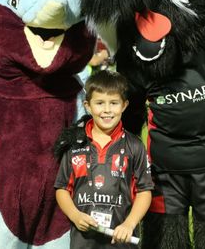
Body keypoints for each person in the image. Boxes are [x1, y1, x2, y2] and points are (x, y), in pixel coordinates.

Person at [54, 70, 153, 248]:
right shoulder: (75, 146)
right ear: (88, 106)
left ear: (124, 105)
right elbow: (61, 189)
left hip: (121, 243)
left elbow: (144, 191)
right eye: (100, 103)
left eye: (114, 103)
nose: (107, 110)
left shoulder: (135, 146)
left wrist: (129, 224)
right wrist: (75, 216)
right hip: (83, 243)